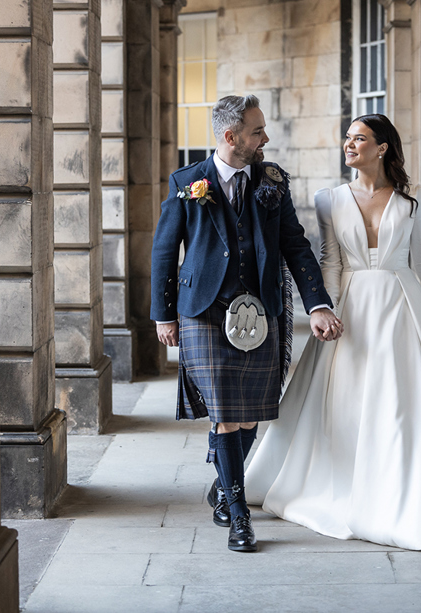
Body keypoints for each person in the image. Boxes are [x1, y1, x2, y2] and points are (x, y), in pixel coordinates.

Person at [245, 114, 421, 550]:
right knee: (344, 403)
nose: (349, 145)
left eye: (360, 138)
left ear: (383, 147)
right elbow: (329, 260)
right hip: (350, 308)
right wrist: (324, 311)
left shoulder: (414, 198)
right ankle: (342, 486)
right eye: (347, 138)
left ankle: (406, 498)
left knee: (402, 405)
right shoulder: (329, 198)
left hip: (401, 307)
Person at [150, 95, 342, 553]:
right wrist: (164, 313)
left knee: (253, 409)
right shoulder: (188, 182)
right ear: (230, 136)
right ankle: (239, 515)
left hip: (261, 307)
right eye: (257, 131)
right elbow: (163, 251)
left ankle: (223, 477)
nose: (265, 138)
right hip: (203, 309)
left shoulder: (272, 181)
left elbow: (295, 245)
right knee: (225, 413)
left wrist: (317, 304)